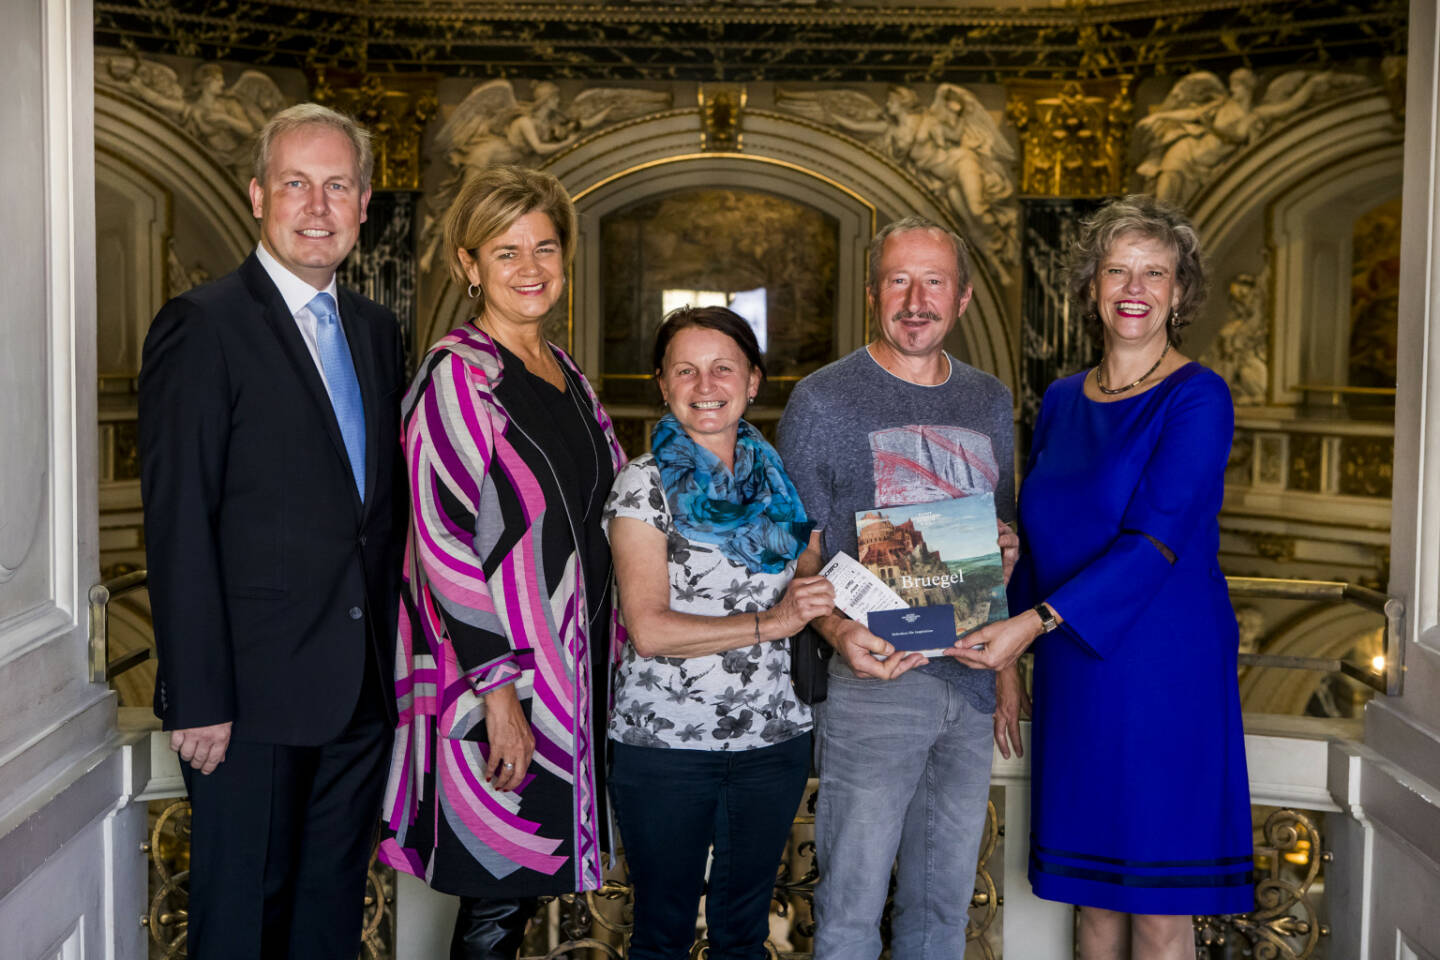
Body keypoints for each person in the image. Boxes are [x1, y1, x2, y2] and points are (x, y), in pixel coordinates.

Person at [952, 195, 1252, 959]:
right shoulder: (1059, 400)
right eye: (1118, 269)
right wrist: (1014, 651)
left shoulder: (1198, 396)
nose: (1135, 287)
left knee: (1156, 910)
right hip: (1077, 670)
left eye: (1156, 273)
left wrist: (1028, 626)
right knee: (1090, 903)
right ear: (1091, 287)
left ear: (1179, 294)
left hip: (1164, 671)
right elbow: (1039, 534)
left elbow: (1155, 541)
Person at [138, 103, 405, 960]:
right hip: (247, 703)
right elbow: (178, 520)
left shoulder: (375, 329)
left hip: (360, 696)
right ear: (259, 195)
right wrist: (198, 693)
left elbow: (371, 516)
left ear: (365, 204)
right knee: (241, 925)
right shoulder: (203, 326)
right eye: (296, 184)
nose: (317, 206)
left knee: (328, 922)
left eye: (338, 187)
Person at [378, 165, 626, 960]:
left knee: (516, 903)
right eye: (507, 251)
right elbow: (439, 541)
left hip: (575, 675)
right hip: (507, 679)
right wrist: (501, 694)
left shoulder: (568, 375)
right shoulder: (460, 376)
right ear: (468, 265)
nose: (530, 269)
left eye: (544, 248)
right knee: (497, 897)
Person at [776, 216, 1022, 960]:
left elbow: (999, 539)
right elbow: (796, 556)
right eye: (899, 281)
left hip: (973, 681)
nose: (917, 300)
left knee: (941, 912)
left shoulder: (990, 401)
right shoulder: (823, 401)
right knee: (849, 911)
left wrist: (1008, 672)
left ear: (965, 297)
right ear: (873, 292)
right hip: (876, 681)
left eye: (934, 282)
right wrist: (838, 633)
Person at [603, 306, 835, 960]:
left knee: (744, 932)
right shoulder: (643, 485)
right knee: (663, 931)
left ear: (753, 380)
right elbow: (648, 630)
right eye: (686, 370)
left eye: (723, 367)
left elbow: (806, 566)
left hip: (774, 737)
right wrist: (776, 621)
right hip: (667, 744)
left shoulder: (781, 483)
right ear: (663, 383)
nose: (706, 384)